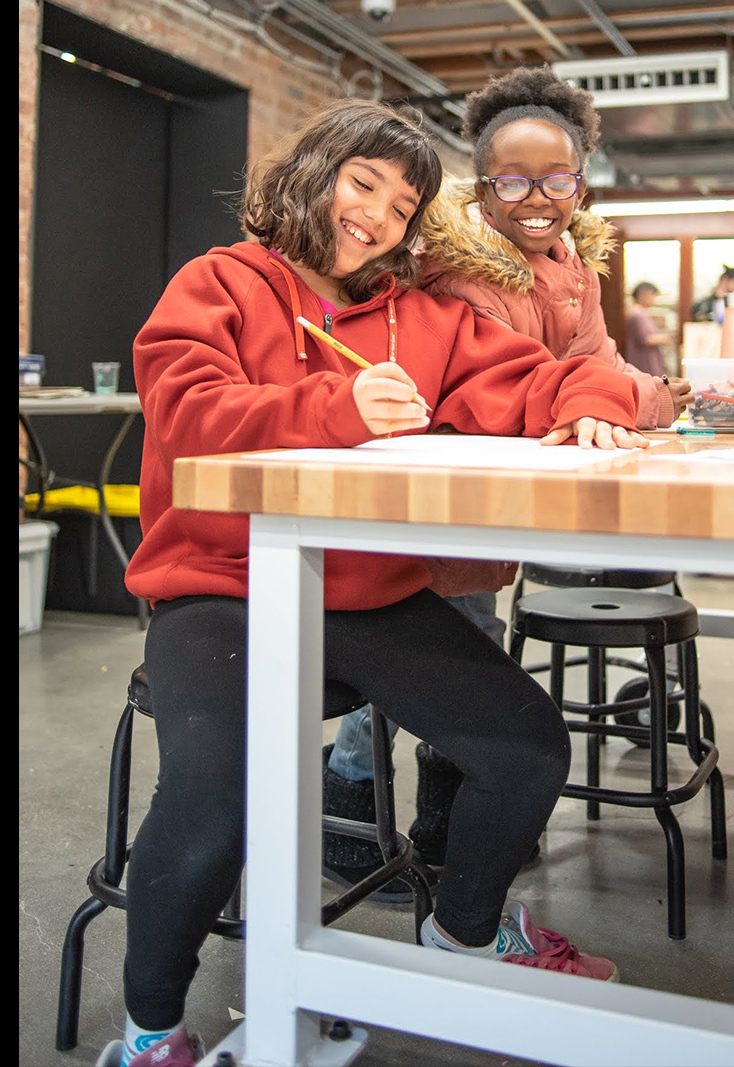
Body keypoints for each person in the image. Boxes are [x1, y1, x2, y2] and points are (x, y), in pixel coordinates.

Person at [101, 99, 642, 1067]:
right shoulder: (217, 283)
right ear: (312, 174)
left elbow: (537, 379)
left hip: (363, 589)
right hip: (219, 585)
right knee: (222, 789)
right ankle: (150, 1031)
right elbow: (185, 413)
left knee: (526, 747)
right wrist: (334, 404)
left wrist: (594, 399)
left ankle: (458, 941)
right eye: (364, 184)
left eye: (402, 205)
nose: (378, 217)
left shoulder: (418, 318)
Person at [318, 67, 691, 900]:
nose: (537, 197)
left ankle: (444, 828)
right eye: (513, 180)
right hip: (434, 503)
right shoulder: (458, 276)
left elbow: (593, 370)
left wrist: (643, 394)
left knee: (462, 645)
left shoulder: (573, 268)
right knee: (439, 658)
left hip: (491, 507)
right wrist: (636, 395)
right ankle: (365, 825)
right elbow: (518, 394)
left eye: (557, 179)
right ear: (482, 185)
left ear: (581, 181)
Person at [624, 281, 672, 376]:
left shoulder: (640, 312)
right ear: (644, 295)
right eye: (652, 295)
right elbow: (645, 339)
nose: (653, 299)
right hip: (642, 361)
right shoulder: (637, 313)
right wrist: (664, 338)